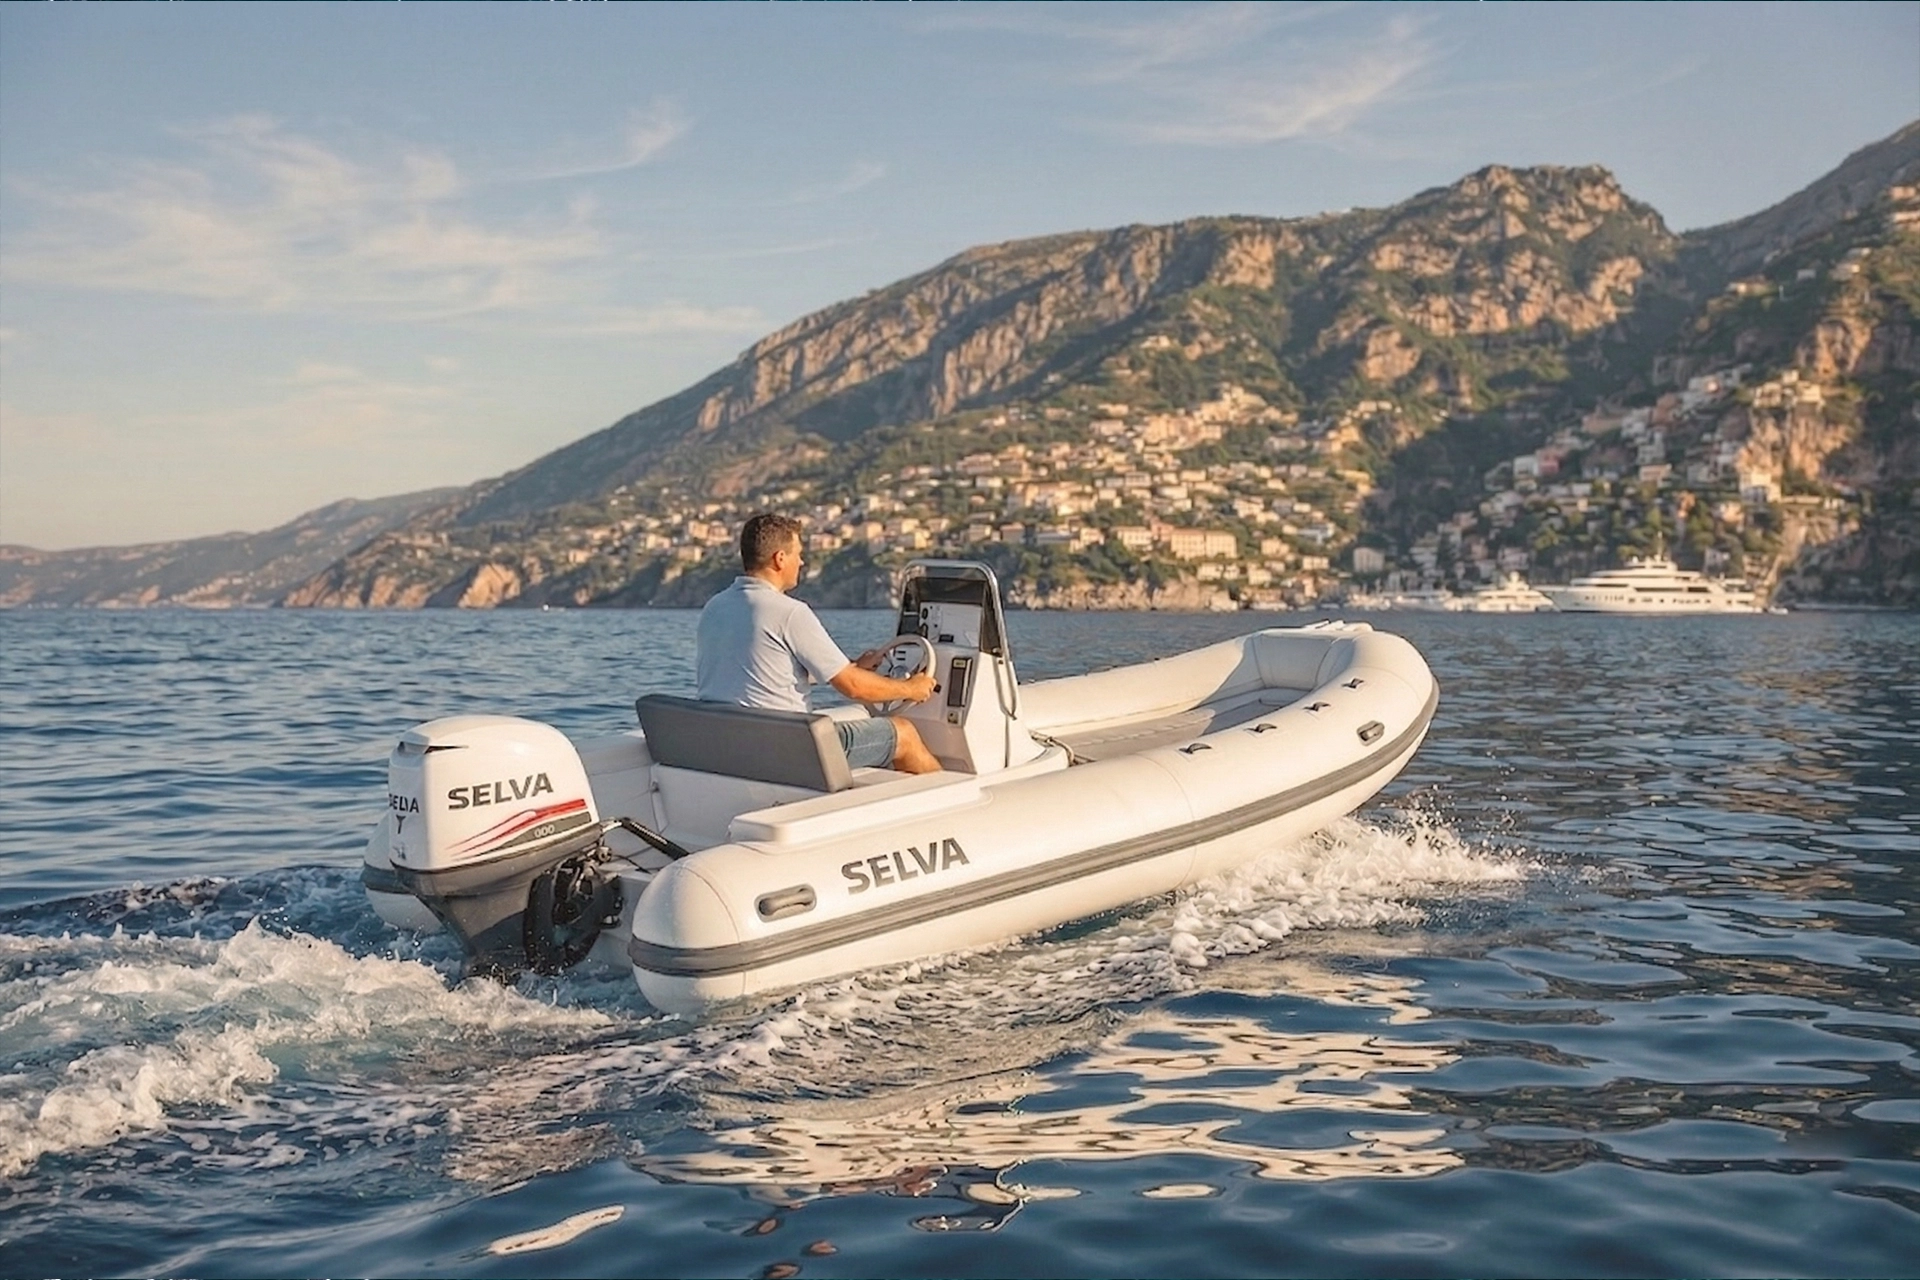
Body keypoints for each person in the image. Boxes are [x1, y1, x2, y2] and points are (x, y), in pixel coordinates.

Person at [696, 513, 941, 774]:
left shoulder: (715, 607)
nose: (801, 562)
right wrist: (910, 688)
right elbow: (854, 687)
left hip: (731, 745)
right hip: (787, 750)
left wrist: (853, 665)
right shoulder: (789, 612)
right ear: (780, 558)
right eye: (798, 554)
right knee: (904, 733)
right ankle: (948, 806)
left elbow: (765, 669)